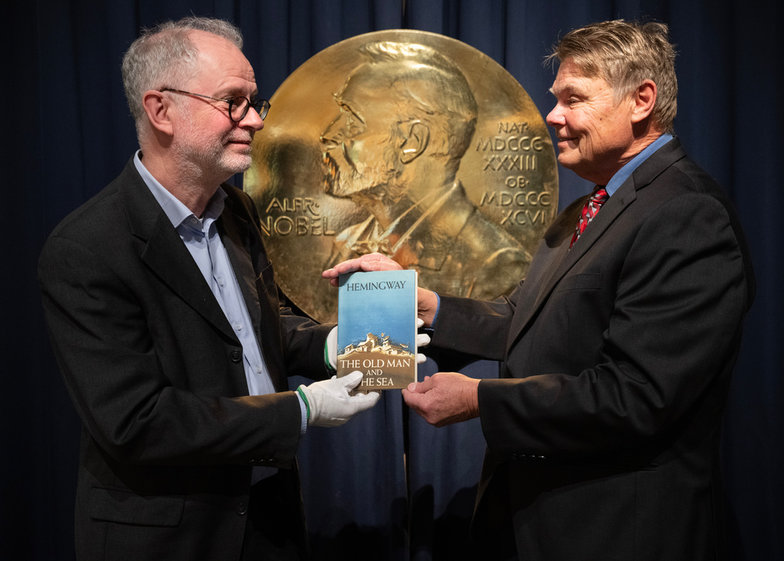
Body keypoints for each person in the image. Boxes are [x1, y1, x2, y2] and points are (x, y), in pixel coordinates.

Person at [324, 19, 755, 561]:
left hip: (619, 531)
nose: (553, 116)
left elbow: (636, 397)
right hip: (536, 523)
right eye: (557, 99)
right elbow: (531, 320)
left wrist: (481, 399)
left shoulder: (686, 215)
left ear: (642, 101)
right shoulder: (588, 208)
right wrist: (428, 305)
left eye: (573, 99)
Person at [38, 17, 378, 561]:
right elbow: (136, 422)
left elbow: (257, 337)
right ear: (161, 110)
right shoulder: (87, 247)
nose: (257, 121)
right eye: (233, 102)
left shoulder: (237, 211)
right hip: (169, 537)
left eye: (254, 100)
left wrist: (338, 344)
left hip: (270, 518)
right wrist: (302, 410)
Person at [320, 41, 532, 300]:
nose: (327, 135)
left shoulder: (497, 265)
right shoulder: (347, 241)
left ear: (412, 142)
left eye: (352, 120)